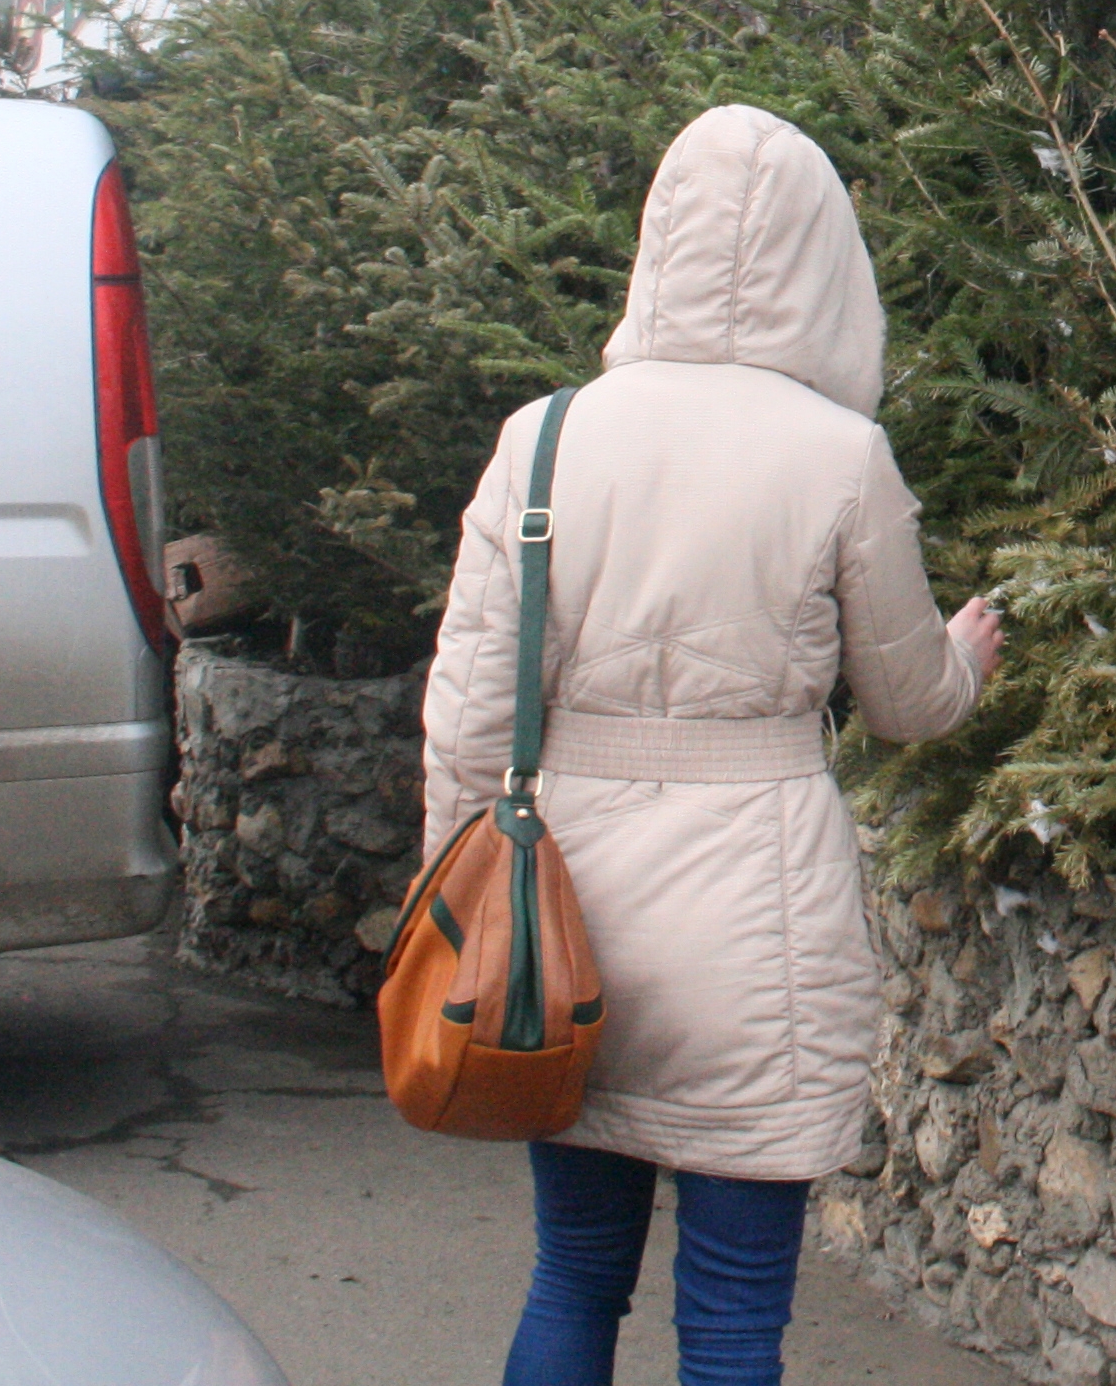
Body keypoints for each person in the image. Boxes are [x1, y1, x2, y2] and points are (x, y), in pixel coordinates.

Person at [418, 105, 1005, 1386]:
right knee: (735, 1323)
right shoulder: (841, 454)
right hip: (760, 929)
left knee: (572, 1276)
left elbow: (466, 714)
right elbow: (908, 705)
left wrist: (460, 915)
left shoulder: (544, 437)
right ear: (823, 258)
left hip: (567, 919)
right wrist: (966, 658)